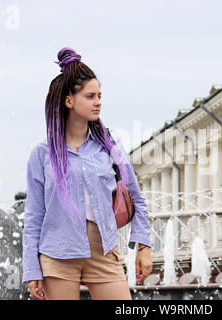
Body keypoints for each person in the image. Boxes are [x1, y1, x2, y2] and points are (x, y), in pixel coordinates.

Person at [22, 47, 152, 300]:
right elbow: (34, 215)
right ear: (69, 101)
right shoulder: (42, 154)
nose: (98, 102)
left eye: (99, 95)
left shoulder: (110, 147)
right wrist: (31, 268)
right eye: (90, 96)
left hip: (103, 252)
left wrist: (143, 246)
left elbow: (136, 198)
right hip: (57, 254)